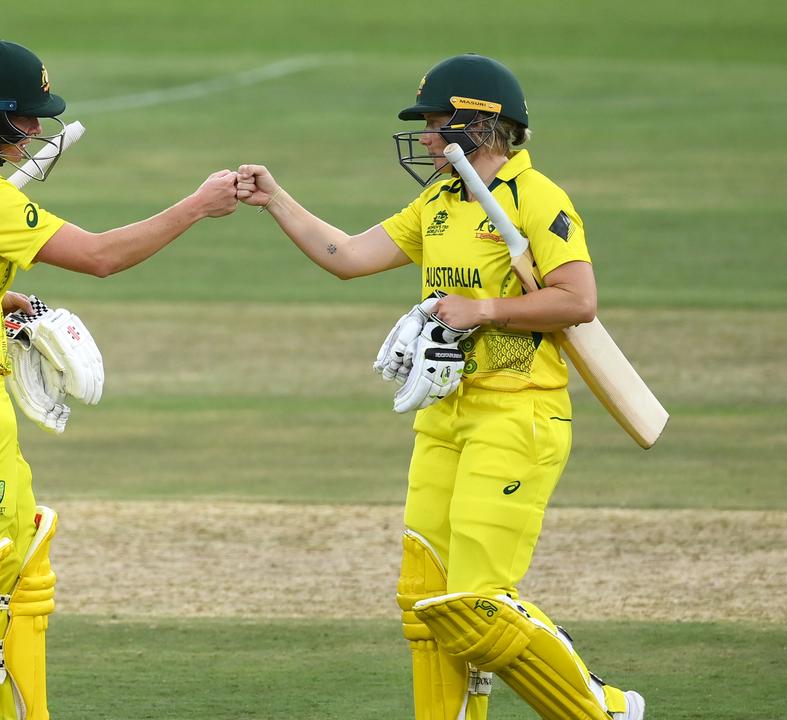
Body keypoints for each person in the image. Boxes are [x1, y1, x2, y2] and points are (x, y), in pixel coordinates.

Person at [235, 53, 645, 720]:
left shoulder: (539, 200)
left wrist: (482, 309)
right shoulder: (442, 199)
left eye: (435, 124)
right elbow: (350, 256)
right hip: (444, 414)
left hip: (518, 416)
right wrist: (276, 199)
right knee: (426, 603)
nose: (425, 138)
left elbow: (578, 300)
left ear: (482, 126)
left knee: (477, 603)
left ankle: (603, 709)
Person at [0, 38, 238, 720]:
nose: (36, 131)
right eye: (25, 119)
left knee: (17, 565)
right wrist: (196, 206)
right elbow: (99, 257)